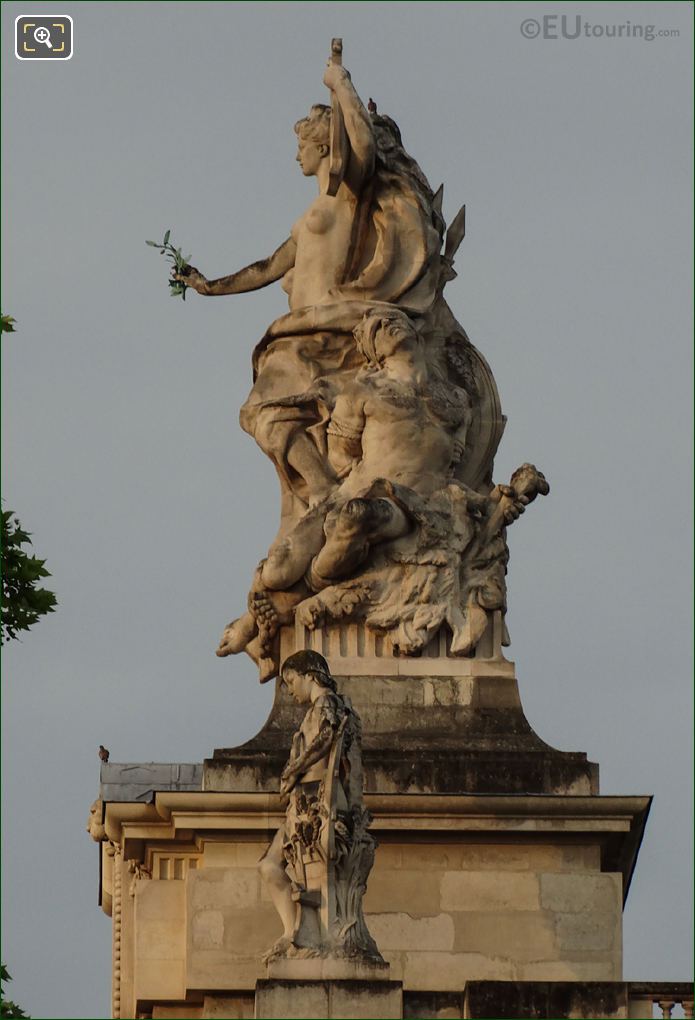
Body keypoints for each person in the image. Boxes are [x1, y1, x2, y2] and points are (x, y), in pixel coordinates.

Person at [175, 63, 443, 530]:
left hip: (334, 328)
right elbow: (269, 268)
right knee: (265, 418)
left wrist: (339, 83)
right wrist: (209, 285)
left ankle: (326, 494)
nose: (296, 155)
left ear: (325, 146)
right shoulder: (311, 214)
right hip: (299, 331)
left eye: (302, 145)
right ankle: (324, 492)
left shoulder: (348, 197)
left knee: (265, 412)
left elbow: (361, 145)